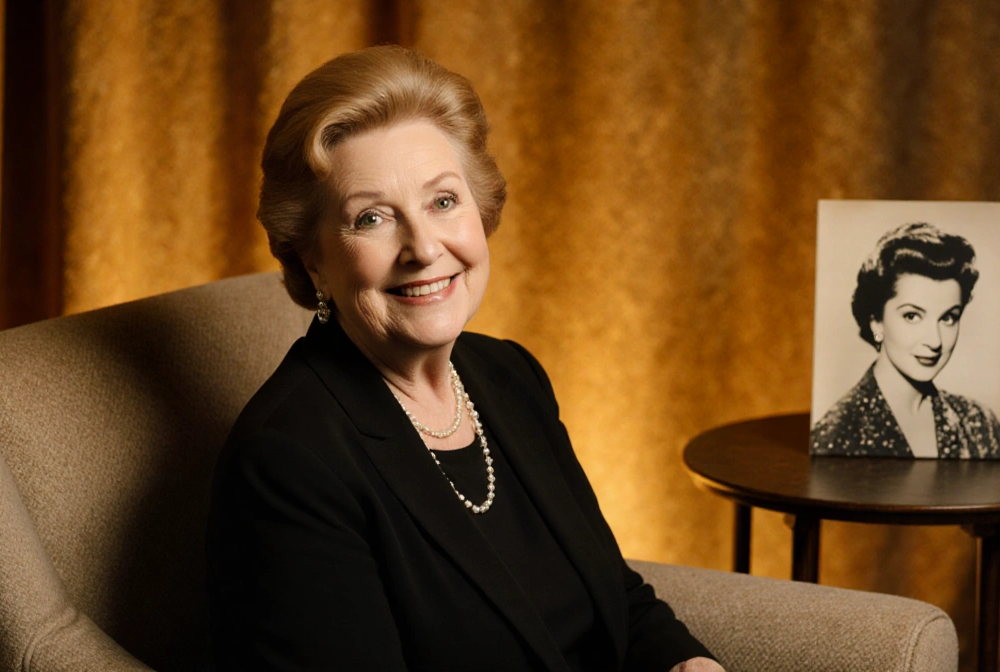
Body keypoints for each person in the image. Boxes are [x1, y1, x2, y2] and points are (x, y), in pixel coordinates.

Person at [206, 46, 724, 672]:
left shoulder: (509, 377)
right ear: (312, 257)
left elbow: (612, 594)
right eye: (371, 217)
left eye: (443, 201)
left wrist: (688, 664)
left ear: (480, 209)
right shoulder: (291, 461)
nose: (424, 247)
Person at [810, 222, 1000, 459]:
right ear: (876, 322)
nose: (935, 341)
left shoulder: (980, 424)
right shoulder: (835, 437)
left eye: (948, 318)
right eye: (912, 316)